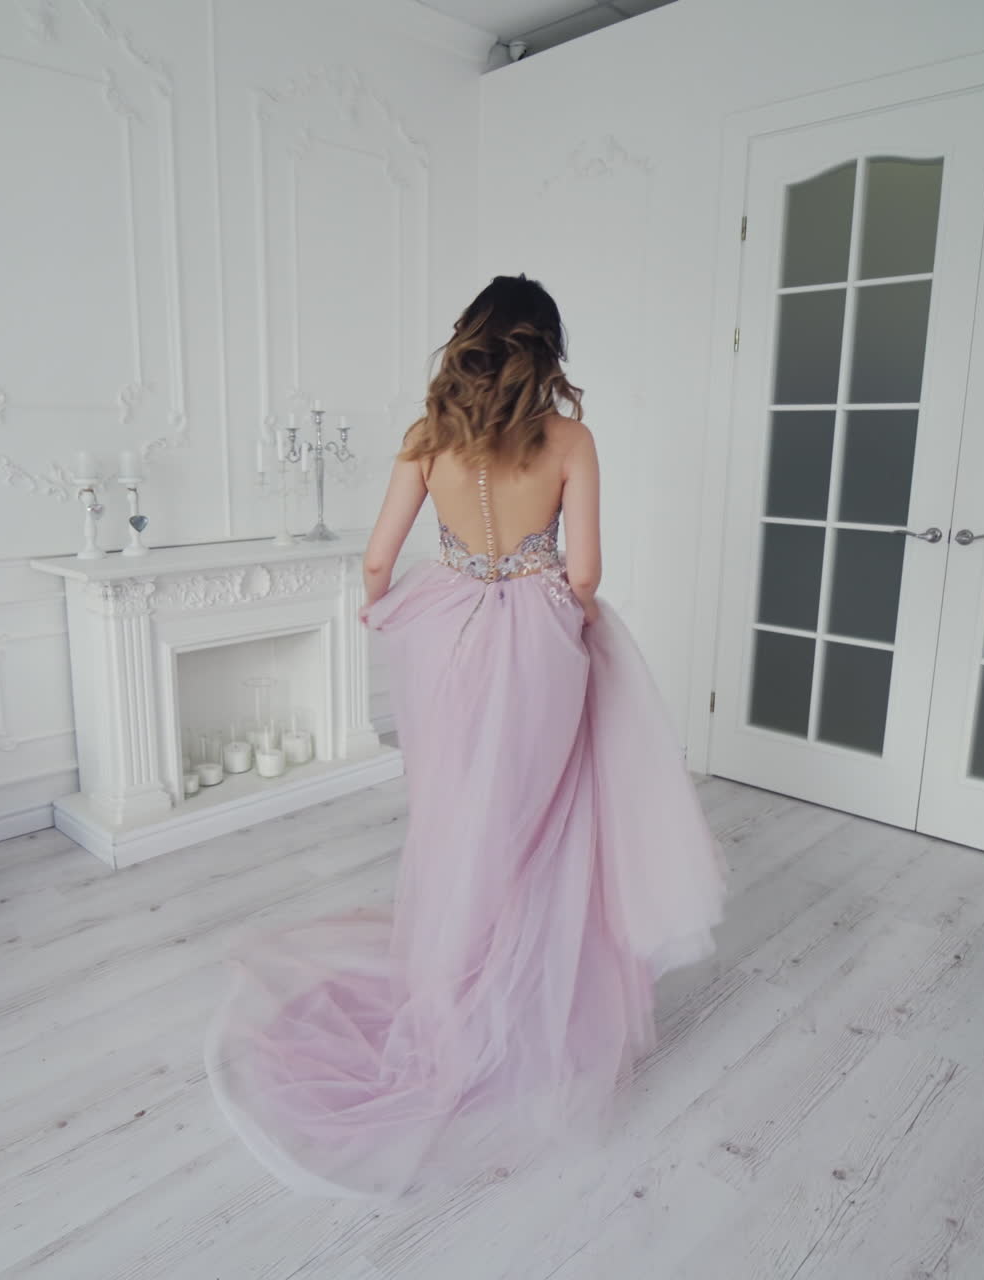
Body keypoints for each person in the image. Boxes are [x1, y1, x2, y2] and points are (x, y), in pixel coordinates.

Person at [206, 274, 725, 1199]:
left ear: (470, 341)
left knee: (458, 816)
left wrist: (384, 612)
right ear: (548, 348)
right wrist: (565, 620)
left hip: (444, 634)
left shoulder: (426, 438)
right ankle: (529, 999)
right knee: (544, 819)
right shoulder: (570, 440)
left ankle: (458, 982)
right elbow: (587, 572)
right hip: (540, 638)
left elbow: (376, 559)